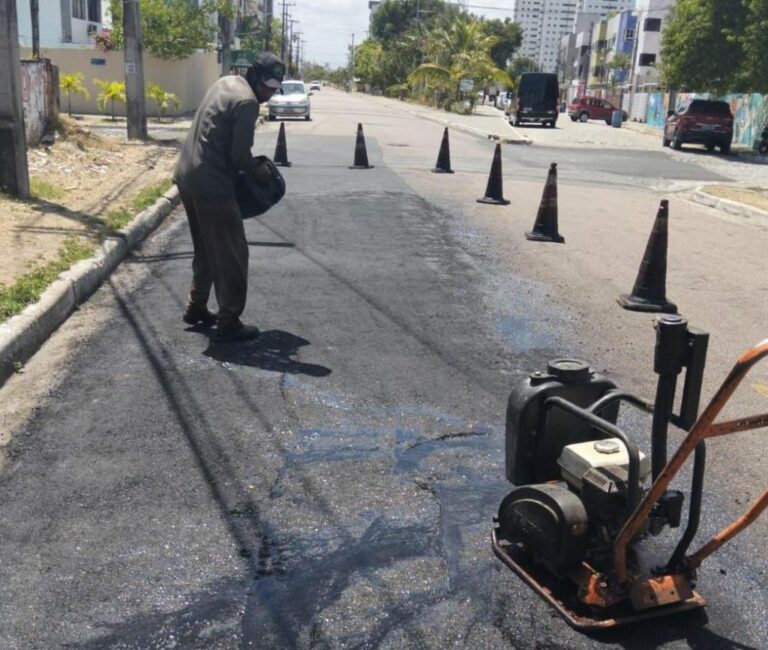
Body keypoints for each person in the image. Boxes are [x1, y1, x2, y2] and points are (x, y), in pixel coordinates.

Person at [173, 52, 285, 342]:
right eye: (266, 87)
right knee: (232, 252)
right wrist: (258, 170)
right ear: (255, 76)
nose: (269, 94)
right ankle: (229, 319)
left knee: (207, 247)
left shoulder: (226, 82)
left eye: (274, 89)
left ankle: (196, 307)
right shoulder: (248, 102)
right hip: (212, 184)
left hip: (187, 175)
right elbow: (238, 157)